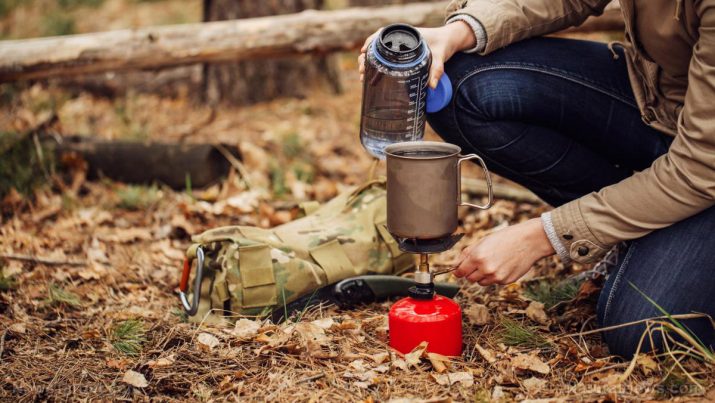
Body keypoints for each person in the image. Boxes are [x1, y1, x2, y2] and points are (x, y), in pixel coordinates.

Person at [359, 0, 714, 359]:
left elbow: (700, 167)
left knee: (644, 333)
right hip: (657, 102)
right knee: (462, 84)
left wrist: (546, 234)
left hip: (704, 167)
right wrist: (456, 33)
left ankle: (658, 237)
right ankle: (632, 231)